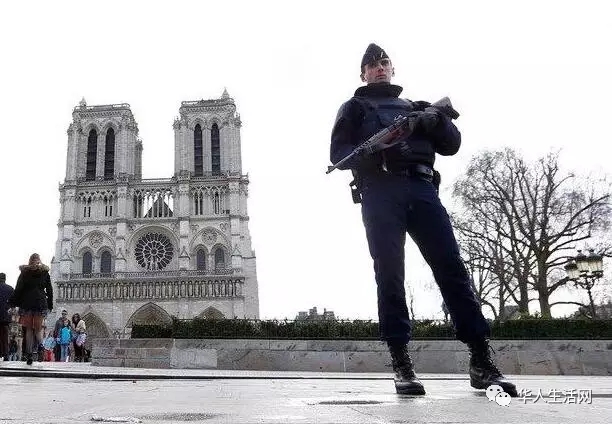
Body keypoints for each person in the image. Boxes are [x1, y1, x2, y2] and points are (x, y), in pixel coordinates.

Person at [329, 43, 517, 396]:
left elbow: (451, 145)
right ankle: (401, 362)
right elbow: (339, 156)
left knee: (452, 267)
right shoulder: (354, 108)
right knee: (389, 273)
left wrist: (437, 121)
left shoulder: (416, 108)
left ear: (393, 68)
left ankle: (481, 360)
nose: (379, 68)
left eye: (384, 63)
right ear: (362, 74)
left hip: (422, 187)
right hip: (380, 191)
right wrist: (376, 152)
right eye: (372, 65)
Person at [8, 253, 53, 365]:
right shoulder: (44, 272)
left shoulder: (24, 273)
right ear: (39, 260)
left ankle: (29, 355)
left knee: (28, 330)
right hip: (40, 303)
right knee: (38, 329)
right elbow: (50, 290)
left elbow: (18, 289)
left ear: (29, 261)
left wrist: (12, 303)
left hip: (27, 303)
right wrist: (50, 304)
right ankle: (41, 347)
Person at [0, 272, 15, 361]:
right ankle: (5, 354)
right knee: (5, 335)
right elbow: (14, 302)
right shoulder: (10, 289)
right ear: (5, 279)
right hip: (6, 316)